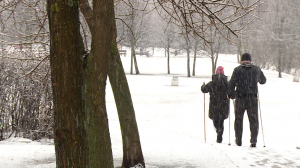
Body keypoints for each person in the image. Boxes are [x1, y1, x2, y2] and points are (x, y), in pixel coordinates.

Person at [227, 53, 266, 147]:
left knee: (238, 120)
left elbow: (232, 83)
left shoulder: (237, 70)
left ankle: (238, 140)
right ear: (250, 60)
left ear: (242, 60)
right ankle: (253, 140)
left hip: (240, 98)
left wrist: (230, 94)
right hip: (252, 98)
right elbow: (263, 81)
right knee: (253, 120)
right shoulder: (256, 69)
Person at [201, 66, 230, 143]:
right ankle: (220, 131)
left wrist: (203, 86)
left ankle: (218, 130)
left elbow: (204, 90)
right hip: (224, 105)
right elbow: (231, 92)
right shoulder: (227, 83)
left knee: (215, 120)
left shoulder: (212, 83)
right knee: (221, 121)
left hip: (214, 105)